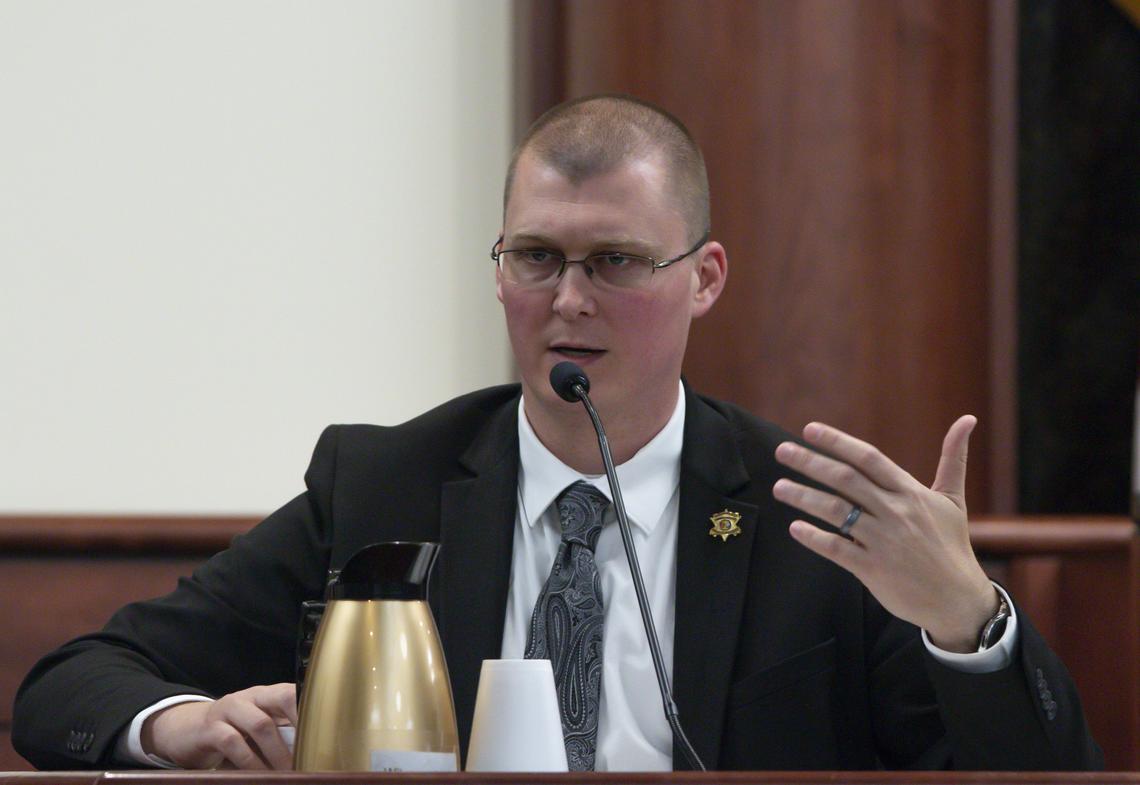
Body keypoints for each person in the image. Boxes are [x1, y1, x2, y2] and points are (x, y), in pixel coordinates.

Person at [13, 95, 1102, 771]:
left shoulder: (803, 513)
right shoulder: (388, 482)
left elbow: (1049, 772)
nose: (569, 299)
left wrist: (969, 618)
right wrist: (180, 724)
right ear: (499, 273)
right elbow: (71, 683)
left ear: (704, 278)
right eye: (536, 256)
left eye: (616, 262)